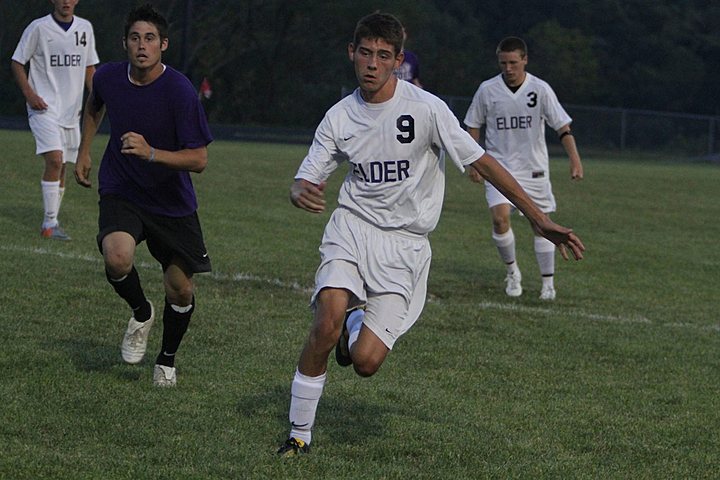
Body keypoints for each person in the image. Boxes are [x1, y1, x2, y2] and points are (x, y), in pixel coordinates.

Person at [277, 13, 585, 456]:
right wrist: (297, 191)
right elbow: (306, 176)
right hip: (352, 228)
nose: (372, 64)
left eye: (384, 56)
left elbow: (481, 161)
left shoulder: (425, 108)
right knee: (324, 322)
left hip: (405, 246)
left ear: (398, 61)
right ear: (352, 52)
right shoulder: (339, 117)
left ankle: (356, 321)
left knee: (365, 362)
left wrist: (537, 217)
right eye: (365, 52)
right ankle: (298, 435)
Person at [74, 3, 213, 387]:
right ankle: (140, 311)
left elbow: (199, 159)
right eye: (135, 38)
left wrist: (153, 153)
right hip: (122, 188)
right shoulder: (107, 77)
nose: (142, 45)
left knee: (181, 288)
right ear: (124, 43)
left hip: (171, 201)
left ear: (163, 45)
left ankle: (166, 358)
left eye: (150, 38)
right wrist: (84, 149)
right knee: (117, 258)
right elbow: (94, 106)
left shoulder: (180, 90)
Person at [464, 36, 584, 301]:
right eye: (503, 63)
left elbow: (562, 127)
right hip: (498, 168)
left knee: (542, 225)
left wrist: (575, 160)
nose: (508, 68)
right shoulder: (487, 90)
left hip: (534, 169)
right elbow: (473, 124)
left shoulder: (540, 89)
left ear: (525, 60)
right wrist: (473, 160)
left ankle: (547, 283)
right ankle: (512, 272)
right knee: (499, 218)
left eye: (513, 62)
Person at [11, 0, 99, 240]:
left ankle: (53, 221)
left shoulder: (85, 28)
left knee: (62, 166)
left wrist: (98, 94)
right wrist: (30, 94)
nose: (66, 1)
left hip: (72, 112)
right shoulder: (38, 28)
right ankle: (49, 224)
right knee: (55, 159)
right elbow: (17, 61)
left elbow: (90, 67)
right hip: (43, 108)